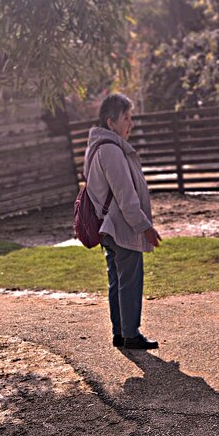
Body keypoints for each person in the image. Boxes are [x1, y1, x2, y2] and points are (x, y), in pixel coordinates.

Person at [84, 93, 162, 350]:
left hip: (106, 227)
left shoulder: (96, 148)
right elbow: (126, 197)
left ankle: (120, 333)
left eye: (131, 117)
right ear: (110, 122)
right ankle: (130, 334)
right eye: (126, 118)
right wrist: (145, 227)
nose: (131, 124)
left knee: (117, 281)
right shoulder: (111, 150)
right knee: (129, 281)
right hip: (120, 228)